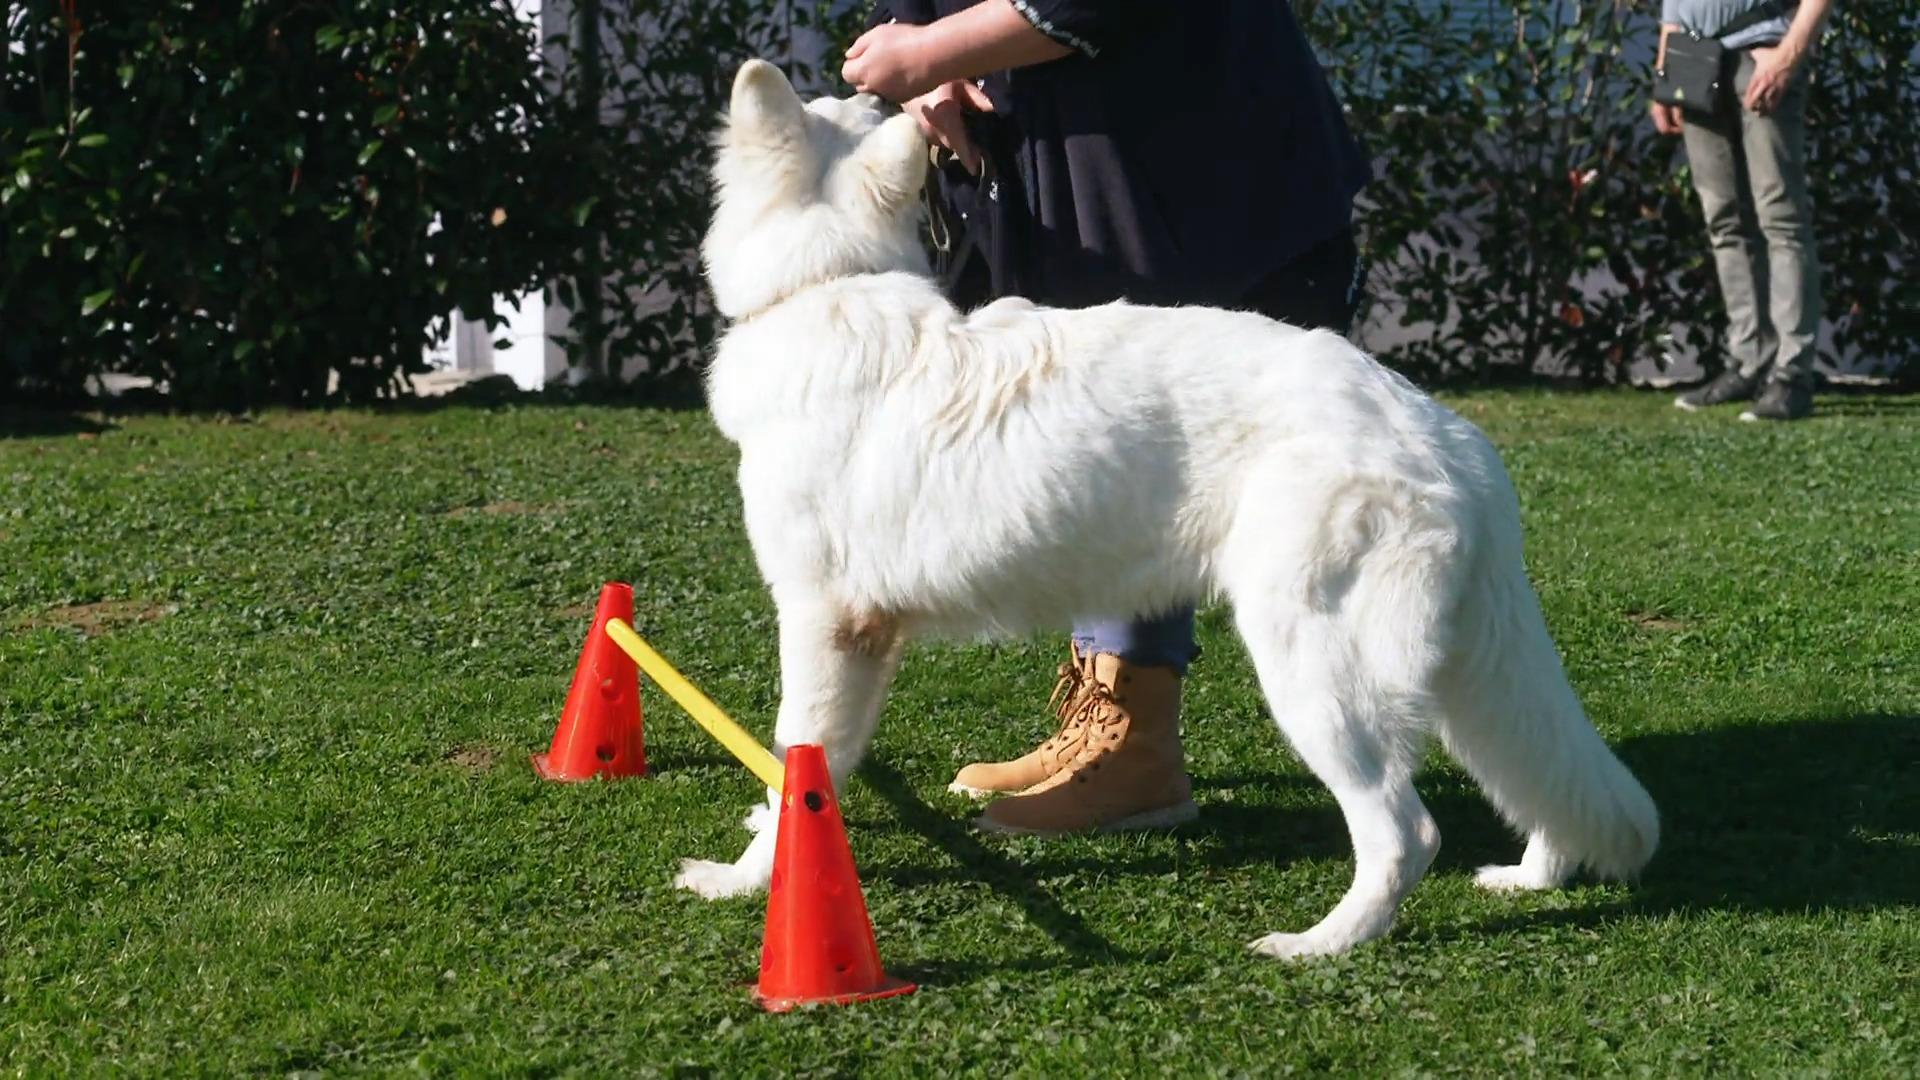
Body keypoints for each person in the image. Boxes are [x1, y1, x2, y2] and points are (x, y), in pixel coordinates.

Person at [841, 0, 1371, 834]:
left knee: (1155, 461)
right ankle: (1109, 717)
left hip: (1214, 190)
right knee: (1107, 444)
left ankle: (1138, 747)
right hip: (1109, 181)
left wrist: (932, 48)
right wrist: (924, 71)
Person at [1657, 0, 1832, 421]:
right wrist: (1666, 67)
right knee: (1724, 220)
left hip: (1761, 53)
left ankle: (1791, 376)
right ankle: (1747, 362)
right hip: (1694, 58)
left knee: (1780, 219)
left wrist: (1789, 52)